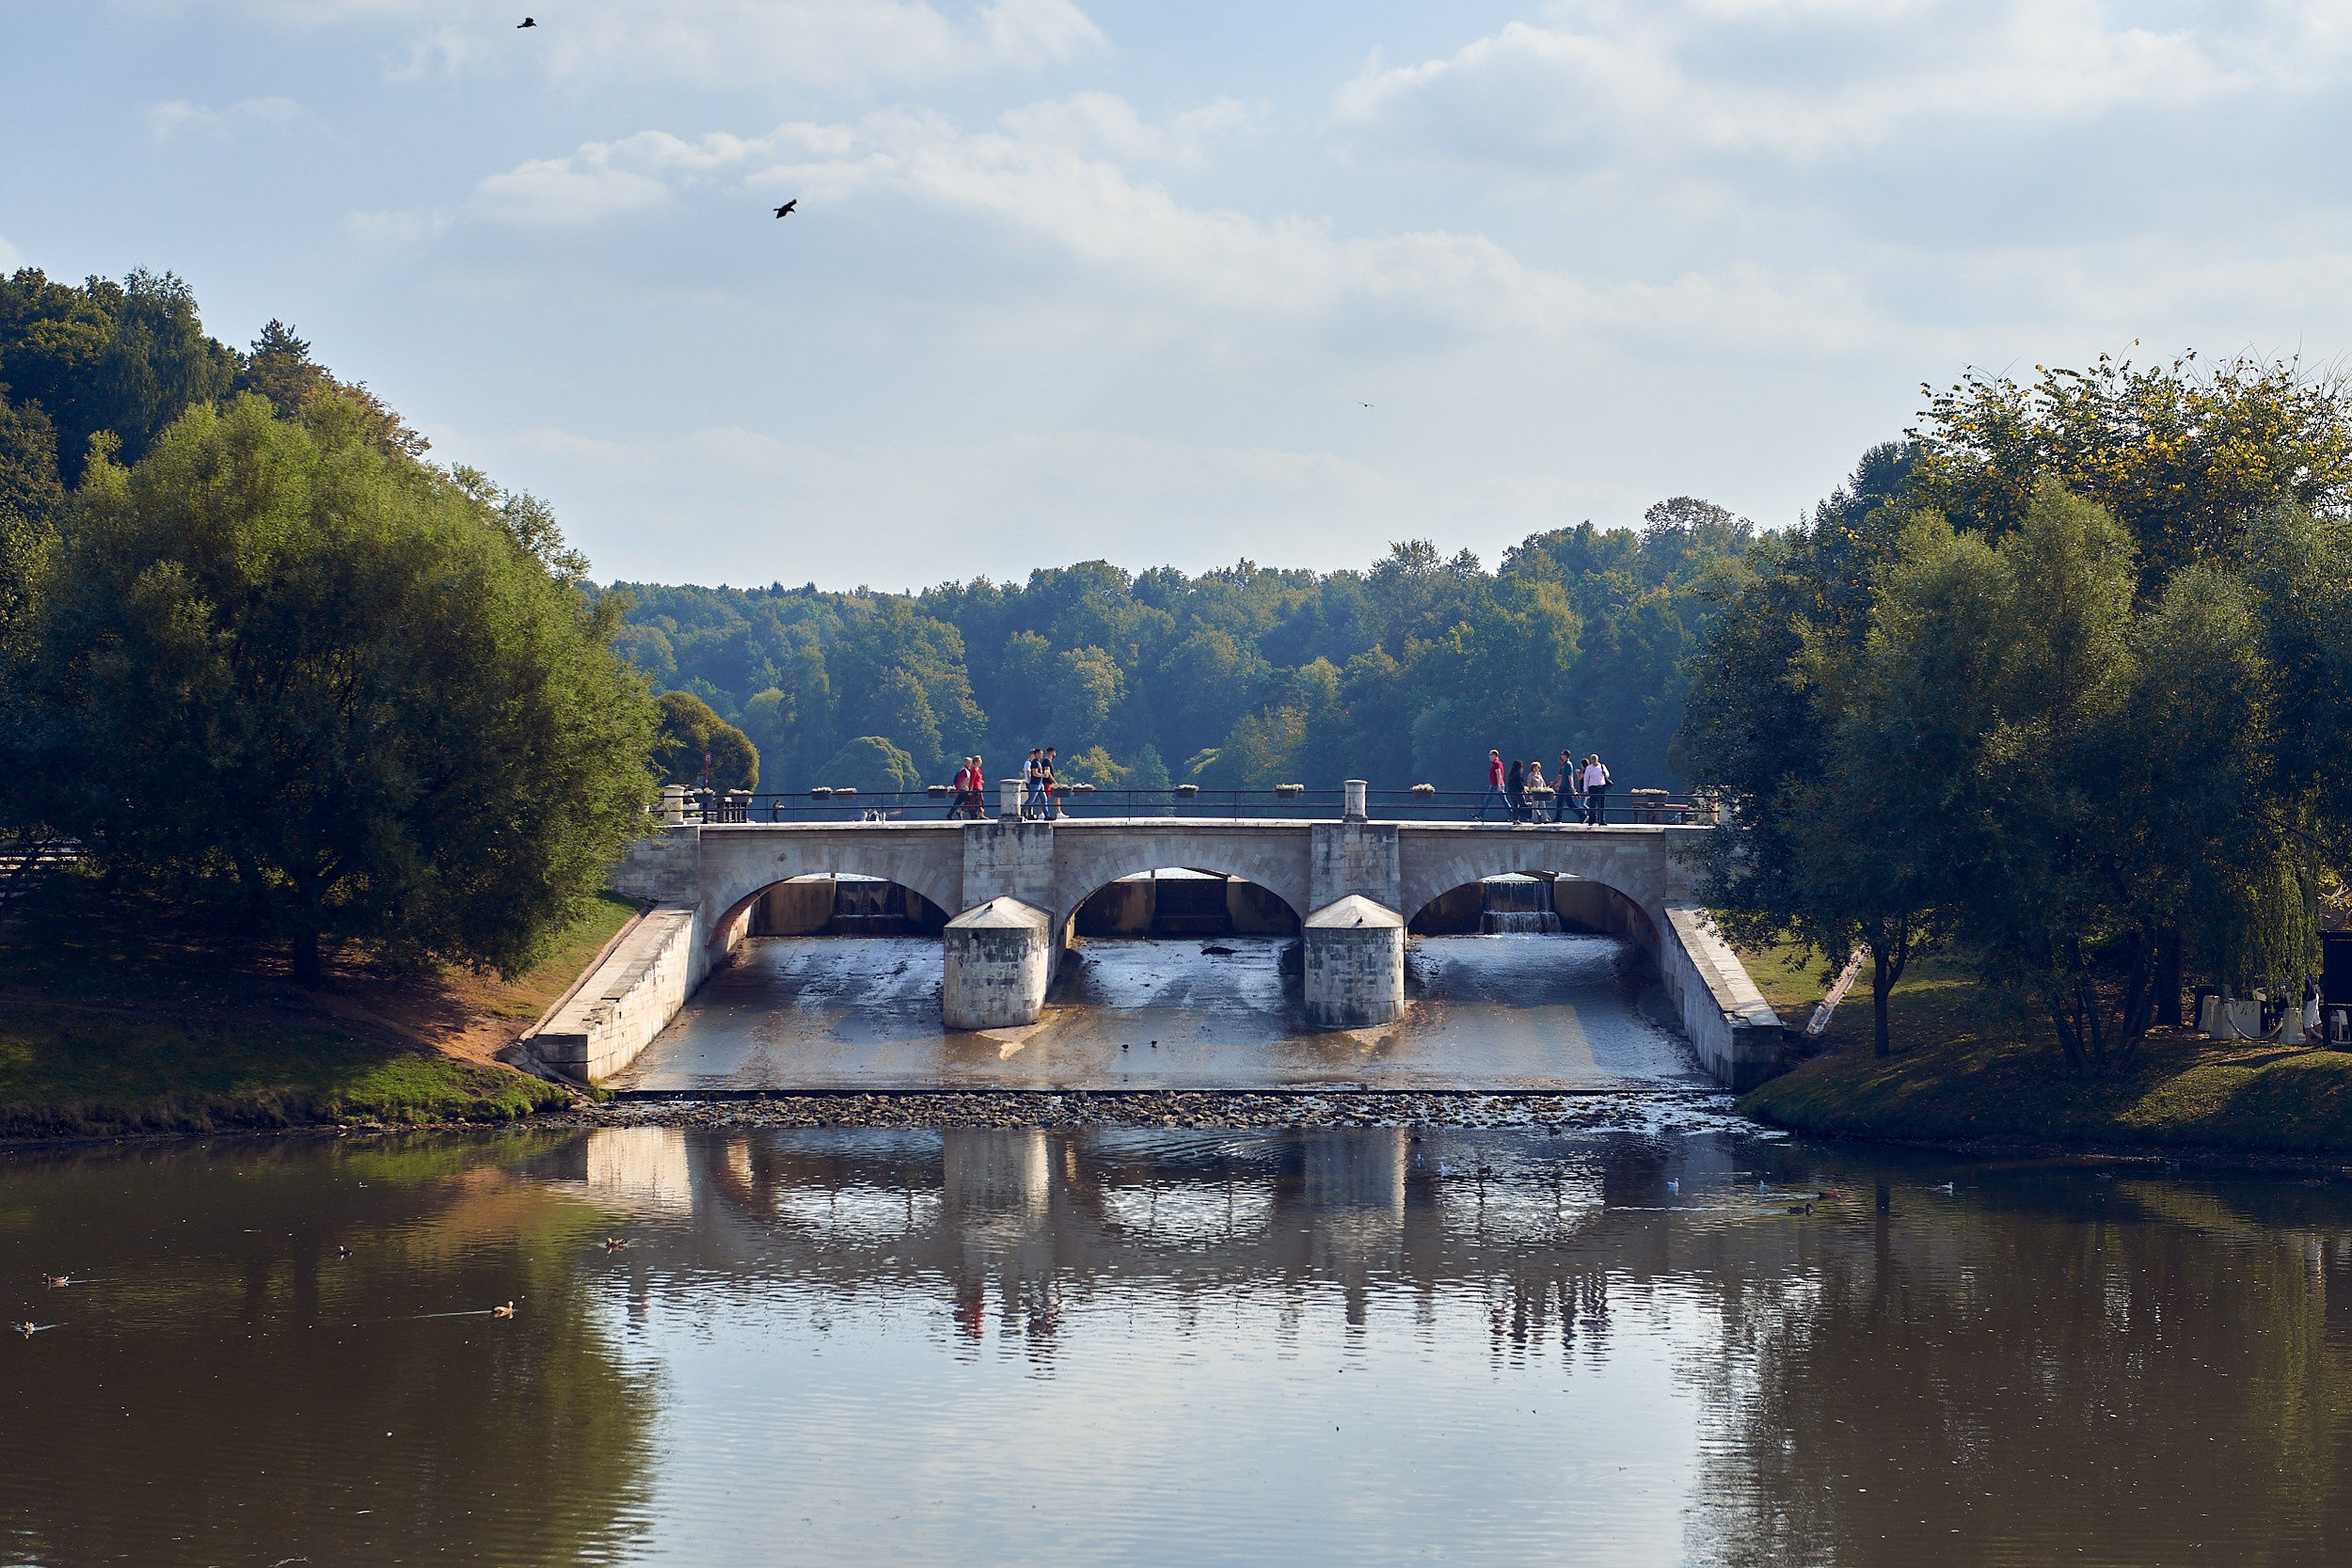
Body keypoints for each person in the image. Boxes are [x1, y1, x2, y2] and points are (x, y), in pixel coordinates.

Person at [1477, 749, 1507, 822]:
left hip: (1496, 785)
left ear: (1494, 755)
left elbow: (1499, 774)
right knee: (1502, 801)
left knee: (1489, 801)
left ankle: (1480, 815)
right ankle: (1512, 815)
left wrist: (1498, 785)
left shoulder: (1496, 763)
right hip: (1497, 785)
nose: (1489, 757)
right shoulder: (1498, 763)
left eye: (1490, 755)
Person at [1581, 754, 1611, 825]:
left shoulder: (1602, 766)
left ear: (1598, 759)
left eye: (1595, 759)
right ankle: (1592, 820)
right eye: (1592, 759)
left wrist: (1605, 774)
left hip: (1601, 787)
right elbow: (1586, 779)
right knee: (1592, 805)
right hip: (1593, 788)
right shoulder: (1589, 768)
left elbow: (1608, 775)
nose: (1593, 760)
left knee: (1601, 805)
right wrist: (1585, 790)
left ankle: (1602, 820)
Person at [1555, 749, 1580, 823]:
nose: (1561, 756)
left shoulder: (1568, 764)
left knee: (1559, 802)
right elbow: (1563, 776)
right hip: (1564, 786)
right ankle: (1583, 816)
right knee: (1570, 804)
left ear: (1565, 756)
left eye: (1562, 755)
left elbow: (1570, 776)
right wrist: (1559, 784)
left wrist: (1572, 787)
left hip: (1566, 787)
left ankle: (1558, 818)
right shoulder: (1565, 764)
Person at [1022, 748, 1045, 819]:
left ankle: (1028, 814)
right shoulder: (1029, 763)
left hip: (1036, 783)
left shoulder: (1034, 762)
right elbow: (1029, 774)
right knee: (1031, 799)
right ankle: (1023, 812)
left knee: (1034, 799)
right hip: (1032, 783)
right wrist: (1031, 782)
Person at [1041, 746, 1062, 819]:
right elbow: (1048, 773)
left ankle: (1058, 812)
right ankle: (1041, 813)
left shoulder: (1049, 762)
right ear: (1052, 752)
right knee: (1044, 798)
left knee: (1057, 795)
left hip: (1049, 783)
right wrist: (1054, 782)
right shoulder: (1046, 762)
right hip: (1047, 782)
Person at [1506, 757, 1527, 823]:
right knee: (1522, 804)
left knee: (1514, 806)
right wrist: (1524, 790)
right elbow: (1519, 783)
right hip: (1517, 791)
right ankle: (1523, 818)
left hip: (1510, 791)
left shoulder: (1511, 773)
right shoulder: (1518, 774)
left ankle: (1515, 819)